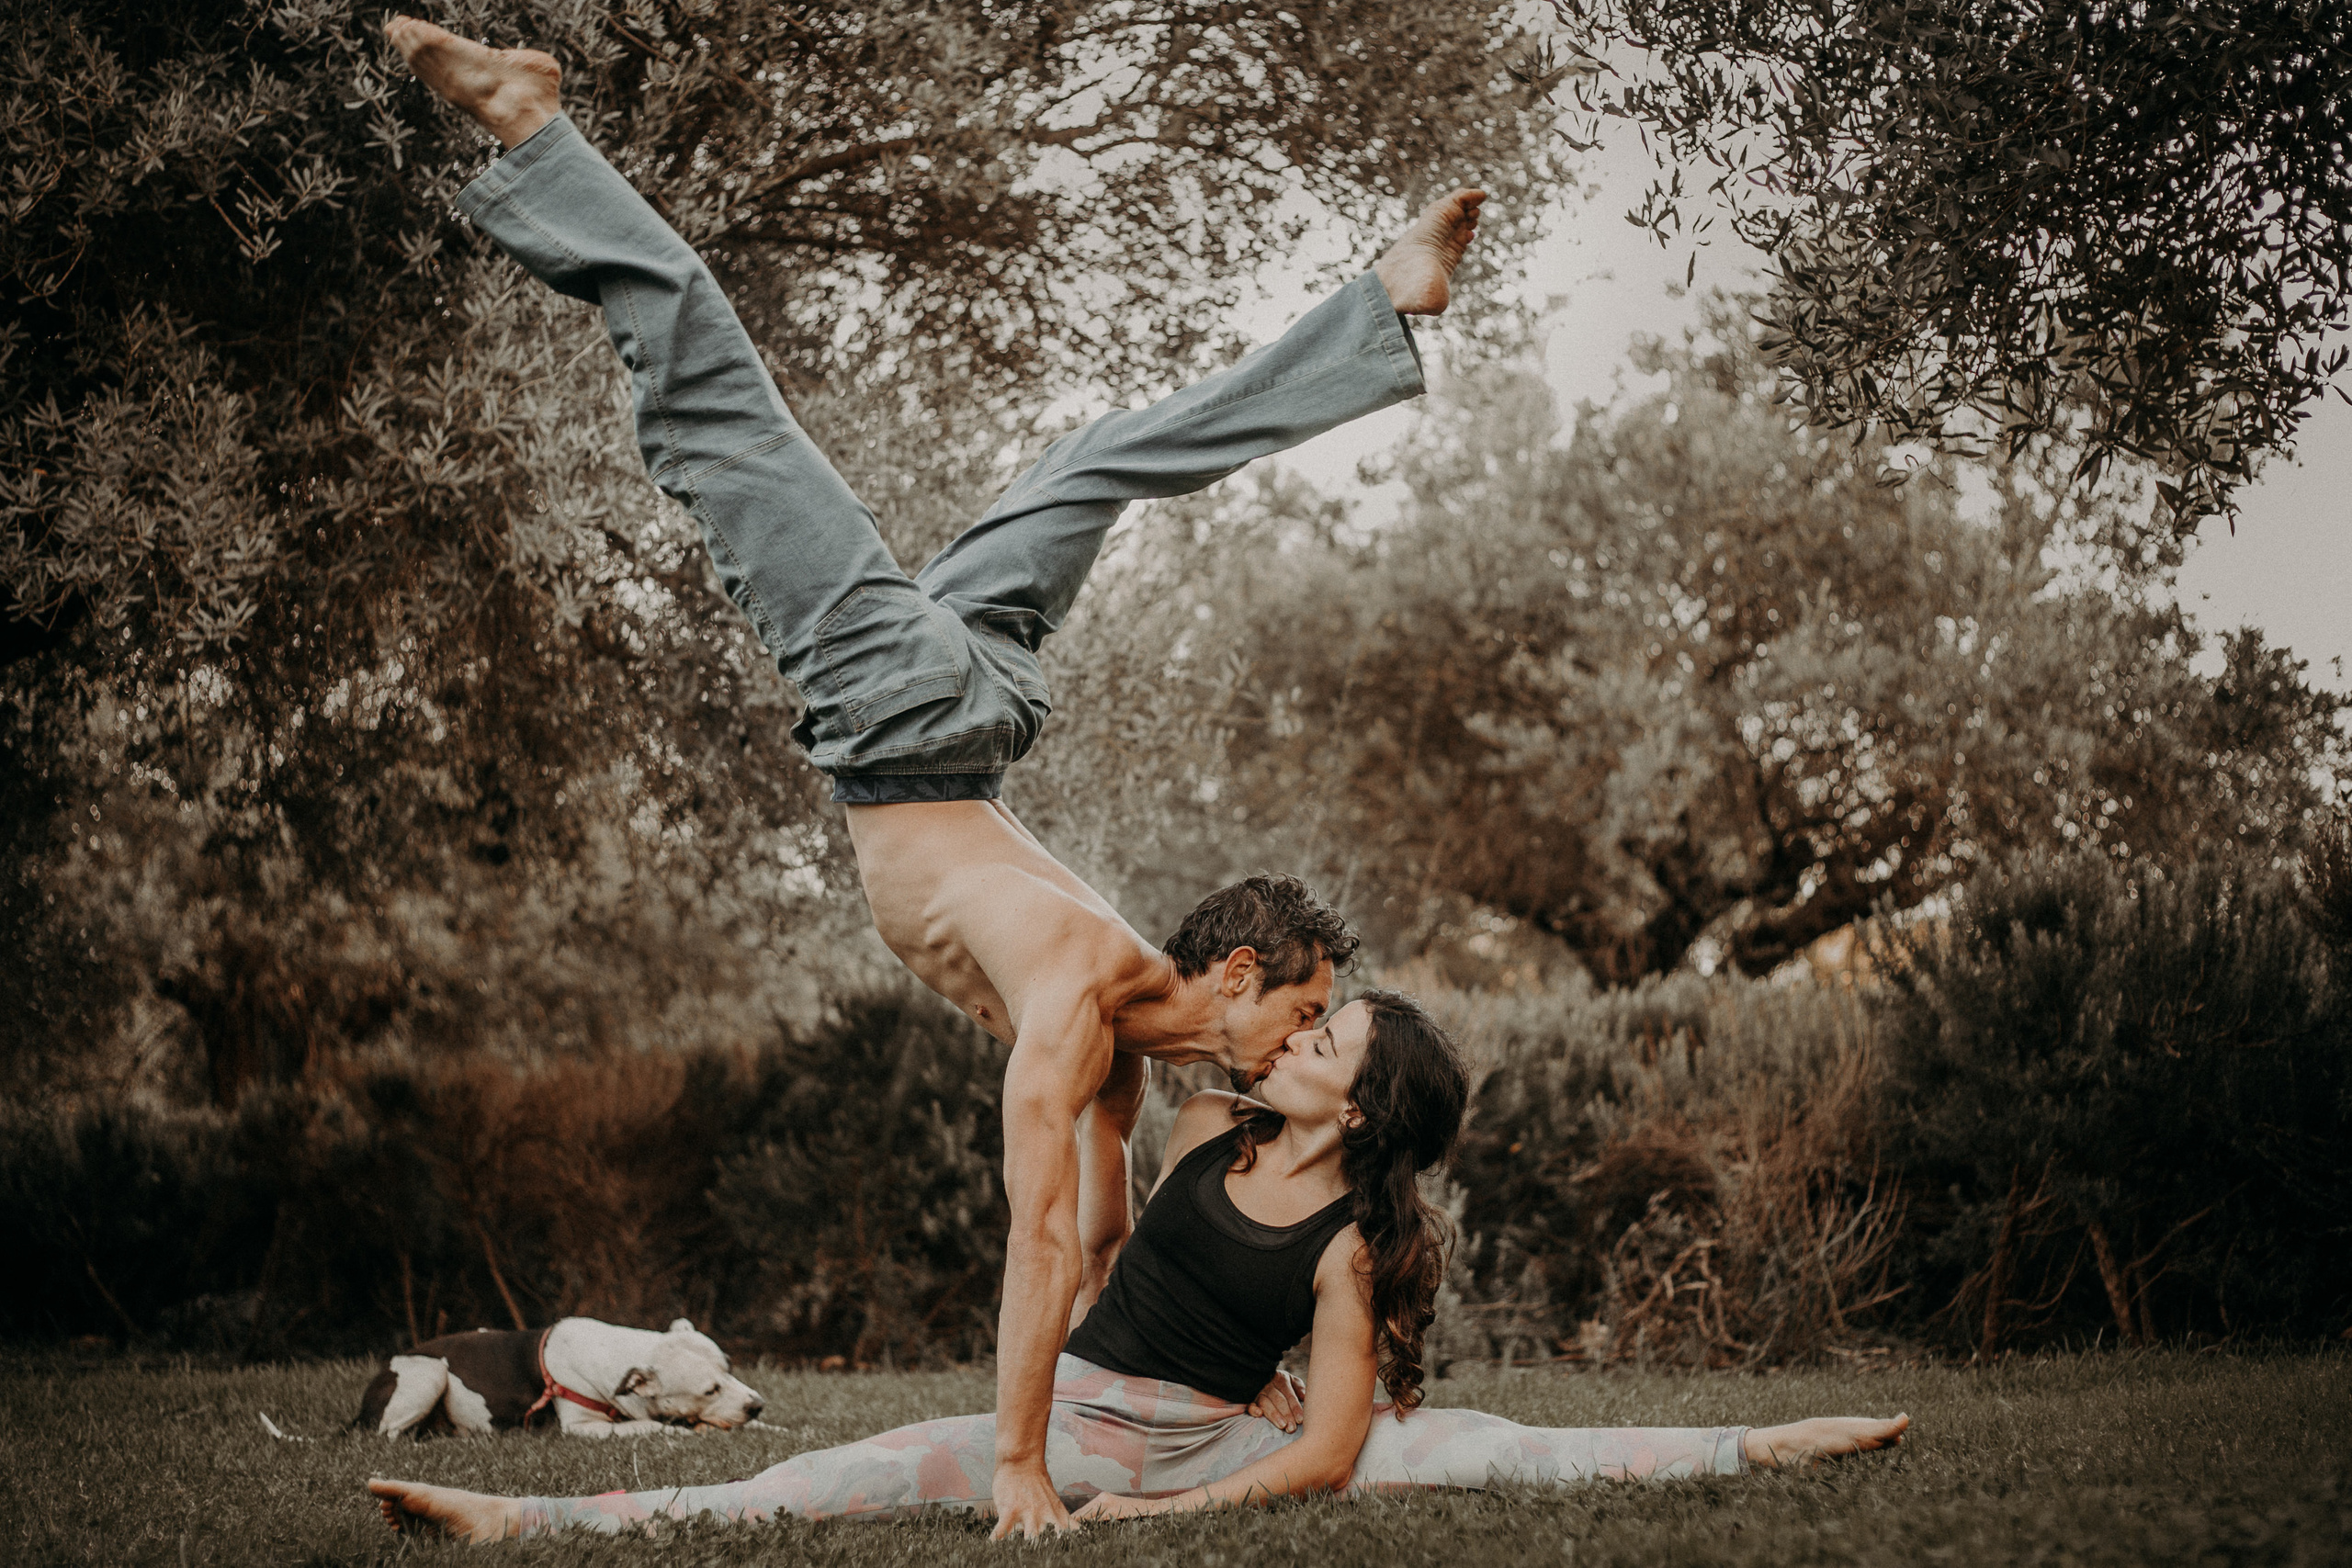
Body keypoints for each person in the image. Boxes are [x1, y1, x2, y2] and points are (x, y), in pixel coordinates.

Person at [383, 14, 1487, 1536]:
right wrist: (1023, 1466)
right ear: (1235, 976)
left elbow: (1102, 1251)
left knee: (1101, 456)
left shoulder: (1125, 1050)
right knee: (719, 407)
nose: (1284, 1055)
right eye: (1298, 1020)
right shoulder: (1078, 1000)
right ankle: (534, 128)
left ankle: (1378, 311)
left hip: (976, 701)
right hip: (902, 711)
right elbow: (1040, 1243)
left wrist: (1246, 1390)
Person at [368, 991, 1909, 1542]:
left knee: (1482, 1456)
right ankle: (517, 1520)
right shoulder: (1199, 1126)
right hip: (1076, 1409)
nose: (1300, 1037)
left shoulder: (1352, 1249)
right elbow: (1097, 1239)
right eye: (1308, 1020)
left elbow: (1316, 1458)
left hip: (1208, 1446)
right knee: (802, 1485)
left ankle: (1754, 1440)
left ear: (1361, 1107)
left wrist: (1162, 1518)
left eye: (1330, 1039)